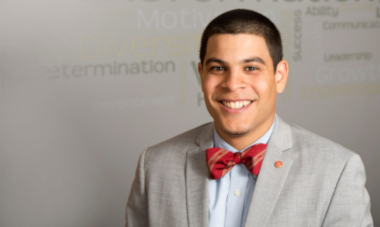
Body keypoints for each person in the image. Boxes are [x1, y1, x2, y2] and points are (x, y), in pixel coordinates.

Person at [125, 9, 373, 227]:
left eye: (251, 68)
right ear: (201, 75)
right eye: (218, 68)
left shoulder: (337, 170)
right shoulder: (155, 166)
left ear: (280, 76)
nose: (233, 84)